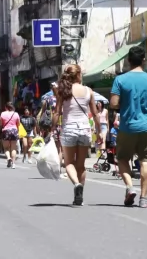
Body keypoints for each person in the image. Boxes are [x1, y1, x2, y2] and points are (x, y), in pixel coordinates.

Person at [110, 46, 147, 208]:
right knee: (146, 161)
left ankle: (130, 187)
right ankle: (143, 199)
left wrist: (126, 105)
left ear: (128, 60)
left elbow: (113, 104)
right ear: (144, 60)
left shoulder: (120, 80)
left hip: (127, 127)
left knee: (122, 158)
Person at [54, 64, 102, 206]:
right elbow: (95, 113)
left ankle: (76, 185)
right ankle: (79, 197)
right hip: (85, 130)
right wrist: (100, 131)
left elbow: (57, 112)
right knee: (80, 165)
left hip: (69, 129)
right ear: (79, 75)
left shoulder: (63, 91)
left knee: (68, 163)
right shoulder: (88, 91)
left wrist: (52, 128)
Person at [0, 102, 20, 168]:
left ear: (6, 107)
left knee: (6, 148)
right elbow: (18, 124)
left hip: (6, 131)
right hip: (14, 131)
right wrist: (17, 131)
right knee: (13, 148)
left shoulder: (3, 114)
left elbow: (1, 125)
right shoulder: (16, 114)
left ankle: (9, 158)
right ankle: (14, 164)